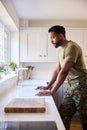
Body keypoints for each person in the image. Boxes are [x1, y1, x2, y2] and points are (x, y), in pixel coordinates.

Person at [36, 25, 87, 130]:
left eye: (53, 37)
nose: (51, 41)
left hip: (83, 84)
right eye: (50, 38)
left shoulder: (72, 47)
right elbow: (57, 70)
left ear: (61, 35)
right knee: (63, 115)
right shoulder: (60, 50)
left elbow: (64, 72)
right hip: (72, 85)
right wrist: (48, 86)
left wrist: (52, 92)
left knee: (85, 118)